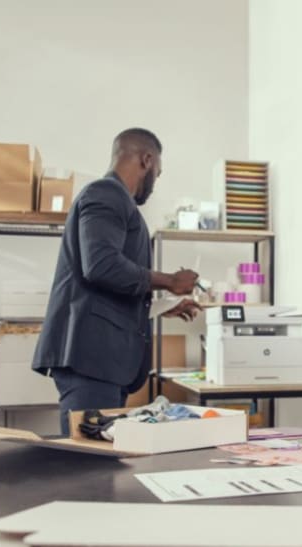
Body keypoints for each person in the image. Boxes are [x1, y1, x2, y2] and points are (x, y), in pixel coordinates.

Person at [33, 128, 202, 434]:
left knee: (98, 465)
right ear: (147, 160)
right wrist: (170, 281)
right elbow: (102, 266)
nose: (155, 183)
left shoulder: (115, 200)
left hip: (103, 363)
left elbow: (106, 288)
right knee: (88, 464)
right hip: (92, 361)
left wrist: (163, 305)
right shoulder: (106, 193)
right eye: (158, 173)